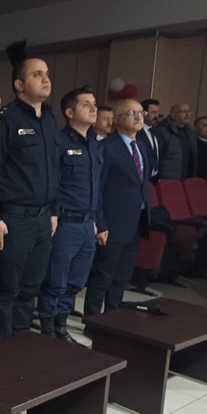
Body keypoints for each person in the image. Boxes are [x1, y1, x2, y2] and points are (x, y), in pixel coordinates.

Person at [0, 42, 59, 342]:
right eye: (37, 74)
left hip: (43, 219)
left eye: (47, 73)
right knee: (7, 289)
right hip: (13, 219)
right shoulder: (5, 119)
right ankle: (2, 349)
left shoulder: (49, 119)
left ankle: (21, 346)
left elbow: (55, 169)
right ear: (19, 84)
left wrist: (54, 211)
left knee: (30, 289)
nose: (45, 79)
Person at [38, 87, 103, 342]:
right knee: (56, 280)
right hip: (65, 223)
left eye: (94, 103)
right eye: (86, 104)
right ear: (69, 112)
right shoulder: (59, 142)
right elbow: (52, 183)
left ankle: (61, 325)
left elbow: (97, 187)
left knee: (76, 281)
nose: (94, 108)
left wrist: (97, 220)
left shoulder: (96, 144)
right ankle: (47, 329)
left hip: (88, 223)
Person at [84, 99, 151, 315]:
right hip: (112, 223)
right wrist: (100, 222)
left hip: (136, 222)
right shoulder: (107, 147)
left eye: (141, 113)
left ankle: (113, 319)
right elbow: (98, 189)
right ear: (117, 120)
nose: (138, 117)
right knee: (103, 276)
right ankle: (93, 321)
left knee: (121, 277)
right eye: (132, 113)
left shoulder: (141, 146)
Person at [154, 102, 197, 179]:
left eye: (189, 111)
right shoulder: (162, 131)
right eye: (182, 112)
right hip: (167, 177)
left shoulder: (189, 131)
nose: (187, 114)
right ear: (172, 114)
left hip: (186, 176)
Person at [141, 98, 161, 178]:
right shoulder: (136, 133)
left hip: (154, 177)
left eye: (157, 113)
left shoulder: (156, 131)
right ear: (143, 113)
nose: (156, 116)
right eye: (153, 112)